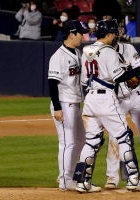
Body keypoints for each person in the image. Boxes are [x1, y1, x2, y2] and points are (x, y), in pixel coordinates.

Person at [73, 19, 140, 193]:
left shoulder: (86, 50)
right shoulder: (109, 52)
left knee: (91, 141)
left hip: (90, 99)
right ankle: (133, 179)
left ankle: (82, 181)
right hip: (106, 98)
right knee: (124, 136)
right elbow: (119, 77)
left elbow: (84, 80)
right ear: (108, 34)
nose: (115, 36)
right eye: (114, 33)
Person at [104, 41, 140, 189]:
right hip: (117, 99)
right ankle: (112, 177)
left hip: (136, 96)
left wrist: (139, 79)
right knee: (114, 135)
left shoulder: (128, 48)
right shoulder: (104, 53)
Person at [48, 20, 89, 191]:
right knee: (67, 142)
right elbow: (52, 83)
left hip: (75, 103)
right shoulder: (59, 56)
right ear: (71, 34)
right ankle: (65, 180)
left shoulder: (79, 54)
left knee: (80, 140)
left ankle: (67, 175)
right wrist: (57, 108)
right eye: (81, 33)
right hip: (64, 104)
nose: (83, 36)